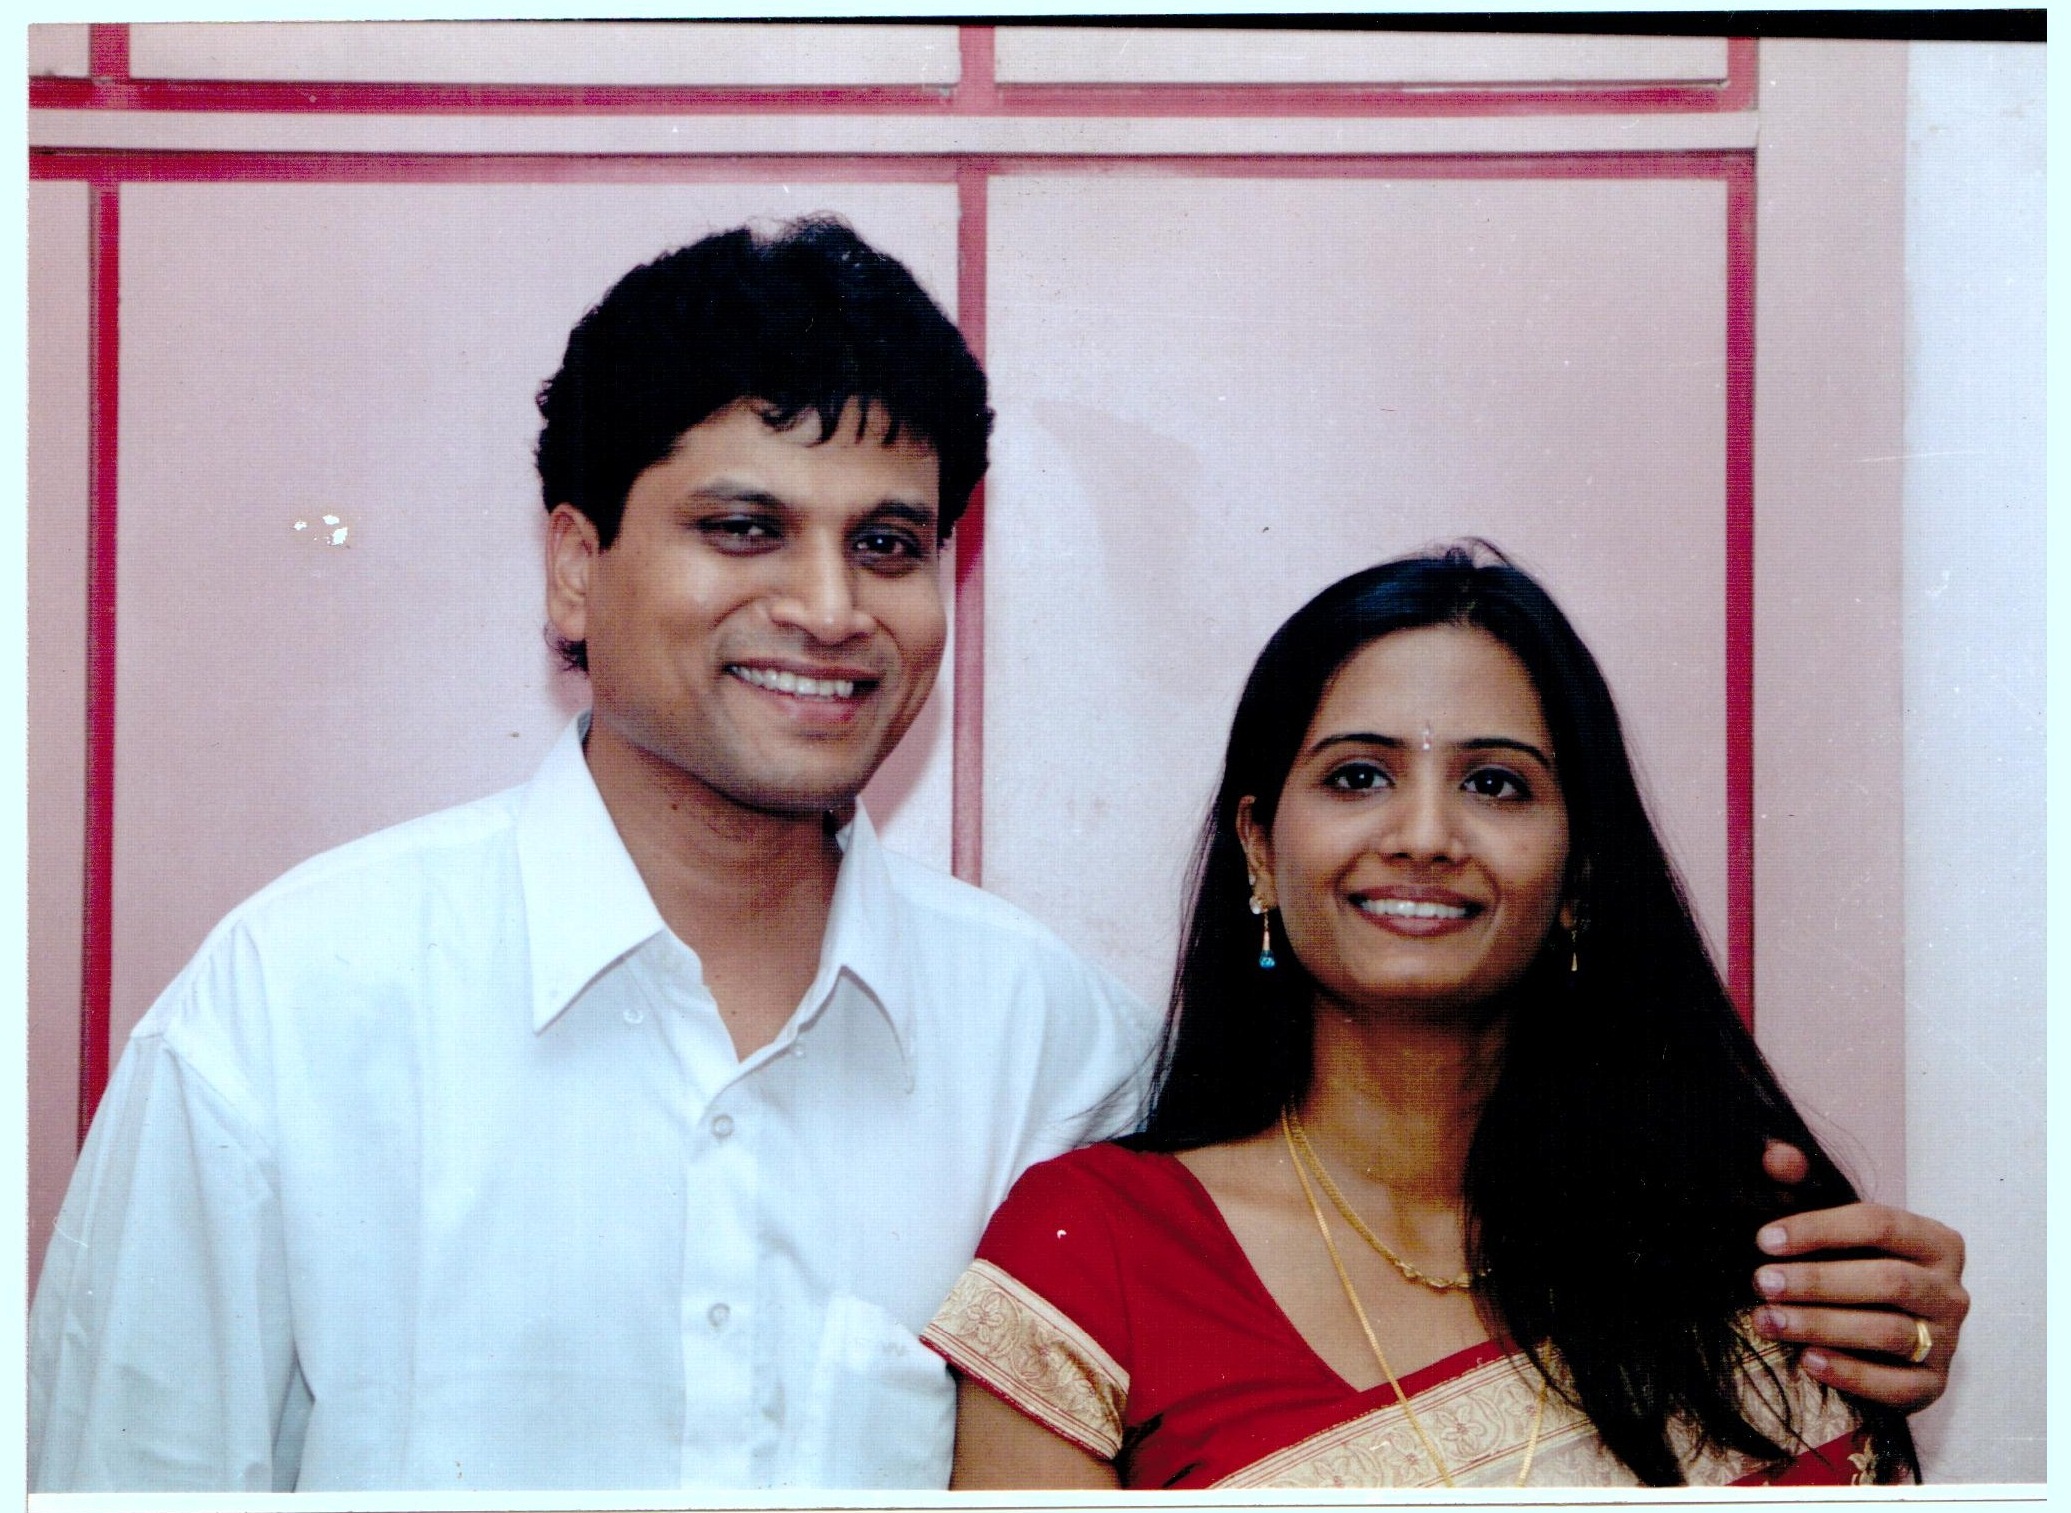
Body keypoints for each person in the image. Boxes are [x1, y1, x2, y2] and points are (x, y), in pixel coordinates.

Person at [29, 223, 1962, 1491]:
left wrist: (1815, 1301)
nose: (827, 604)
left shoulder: (1067, 1060)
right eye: (741, 525)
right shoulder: (291, 1020)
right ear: (572, 565)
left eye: (889, 542)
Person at [927, 545, 1968, 1489]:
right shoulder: (1099, 1248)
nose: (1424, 834)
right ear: (1259, 848)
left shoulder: (1739, 1241)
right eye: (1358, 776)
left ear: (1578, 873)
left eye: (1495, 784)